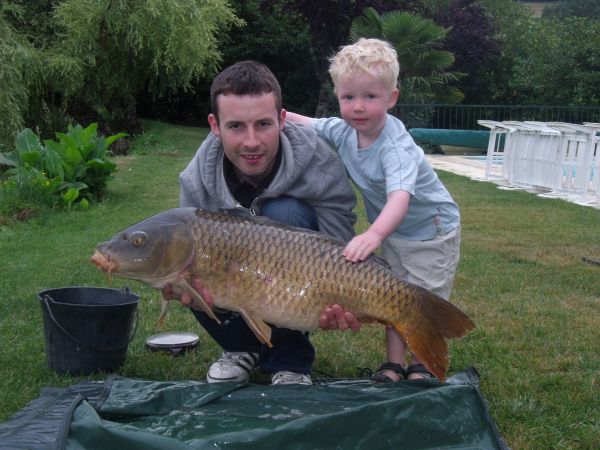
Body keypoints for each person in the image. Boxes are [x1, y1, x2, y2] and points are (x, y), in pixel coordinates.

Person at [172, 60, 358, 386]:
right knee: (188, 258)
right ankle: (240, 347)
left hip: (300, 281)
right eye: (235, 126)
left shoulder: (319, 163)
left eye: (263, 124)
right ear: (215, 125)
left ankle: (290, 361)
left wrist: (337, 299)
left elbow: (337, 248)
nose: (251, 142)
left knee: (284, 213)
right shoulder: (196, 180)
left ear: (282, 119)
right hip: (232, 276)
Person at [286, 38, 461, 382]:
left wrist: (374, 234)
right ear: (338, 96)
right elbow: (309, 123)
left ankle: (422, 364)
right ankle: (393, 364)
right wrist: (274, 116)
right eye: (348, 97)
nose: (358, 107)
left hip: (432, 233)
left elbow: (399, 199)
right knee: (395, 295)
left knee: (421, 302)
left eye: (370, 97)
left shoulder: (395, 148)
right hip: (396, 232)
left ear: (391, 98)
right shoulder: (344, 131)